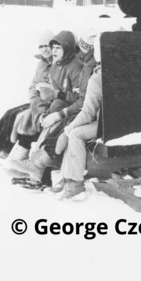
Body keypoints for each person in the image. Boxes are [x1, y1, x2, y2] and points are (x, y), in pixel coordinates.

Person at [8, 30, 83, 180]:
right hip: (54, 106)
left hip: (70, 109)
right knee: (29, 114)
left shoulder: (77, 67)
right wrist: (41, 98)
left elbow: (78, 97)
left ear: (67, 48)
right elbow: (44, 87)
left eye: (57, 48)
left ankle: (38, 166)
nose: (52, 51)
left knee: (53, 117)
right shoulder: (55, 65)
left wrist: (55, 96)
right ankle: (25, 157)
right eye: (52, 47)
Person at [48, 33, 103, 200]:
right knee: (72, 129)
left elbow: (87, 113)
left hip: (105, 124)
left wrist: (67, 131)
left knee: (75, 133)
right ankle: (66, 177)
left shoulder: (96, 77)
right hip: (118, 122)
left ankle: (76, 182)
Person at [1, 29, 54, 162]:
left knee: (18, 116)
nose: (44, 49)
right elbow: (32, 86)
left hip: (48, 103)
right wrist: (34, 98)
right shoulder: (41, 64)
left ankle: (6, 150)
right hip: (37, 101)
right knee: (10, 113)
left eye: (46, 45)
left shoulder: (58, 62)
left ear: (53, 46)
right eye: (41, 46)